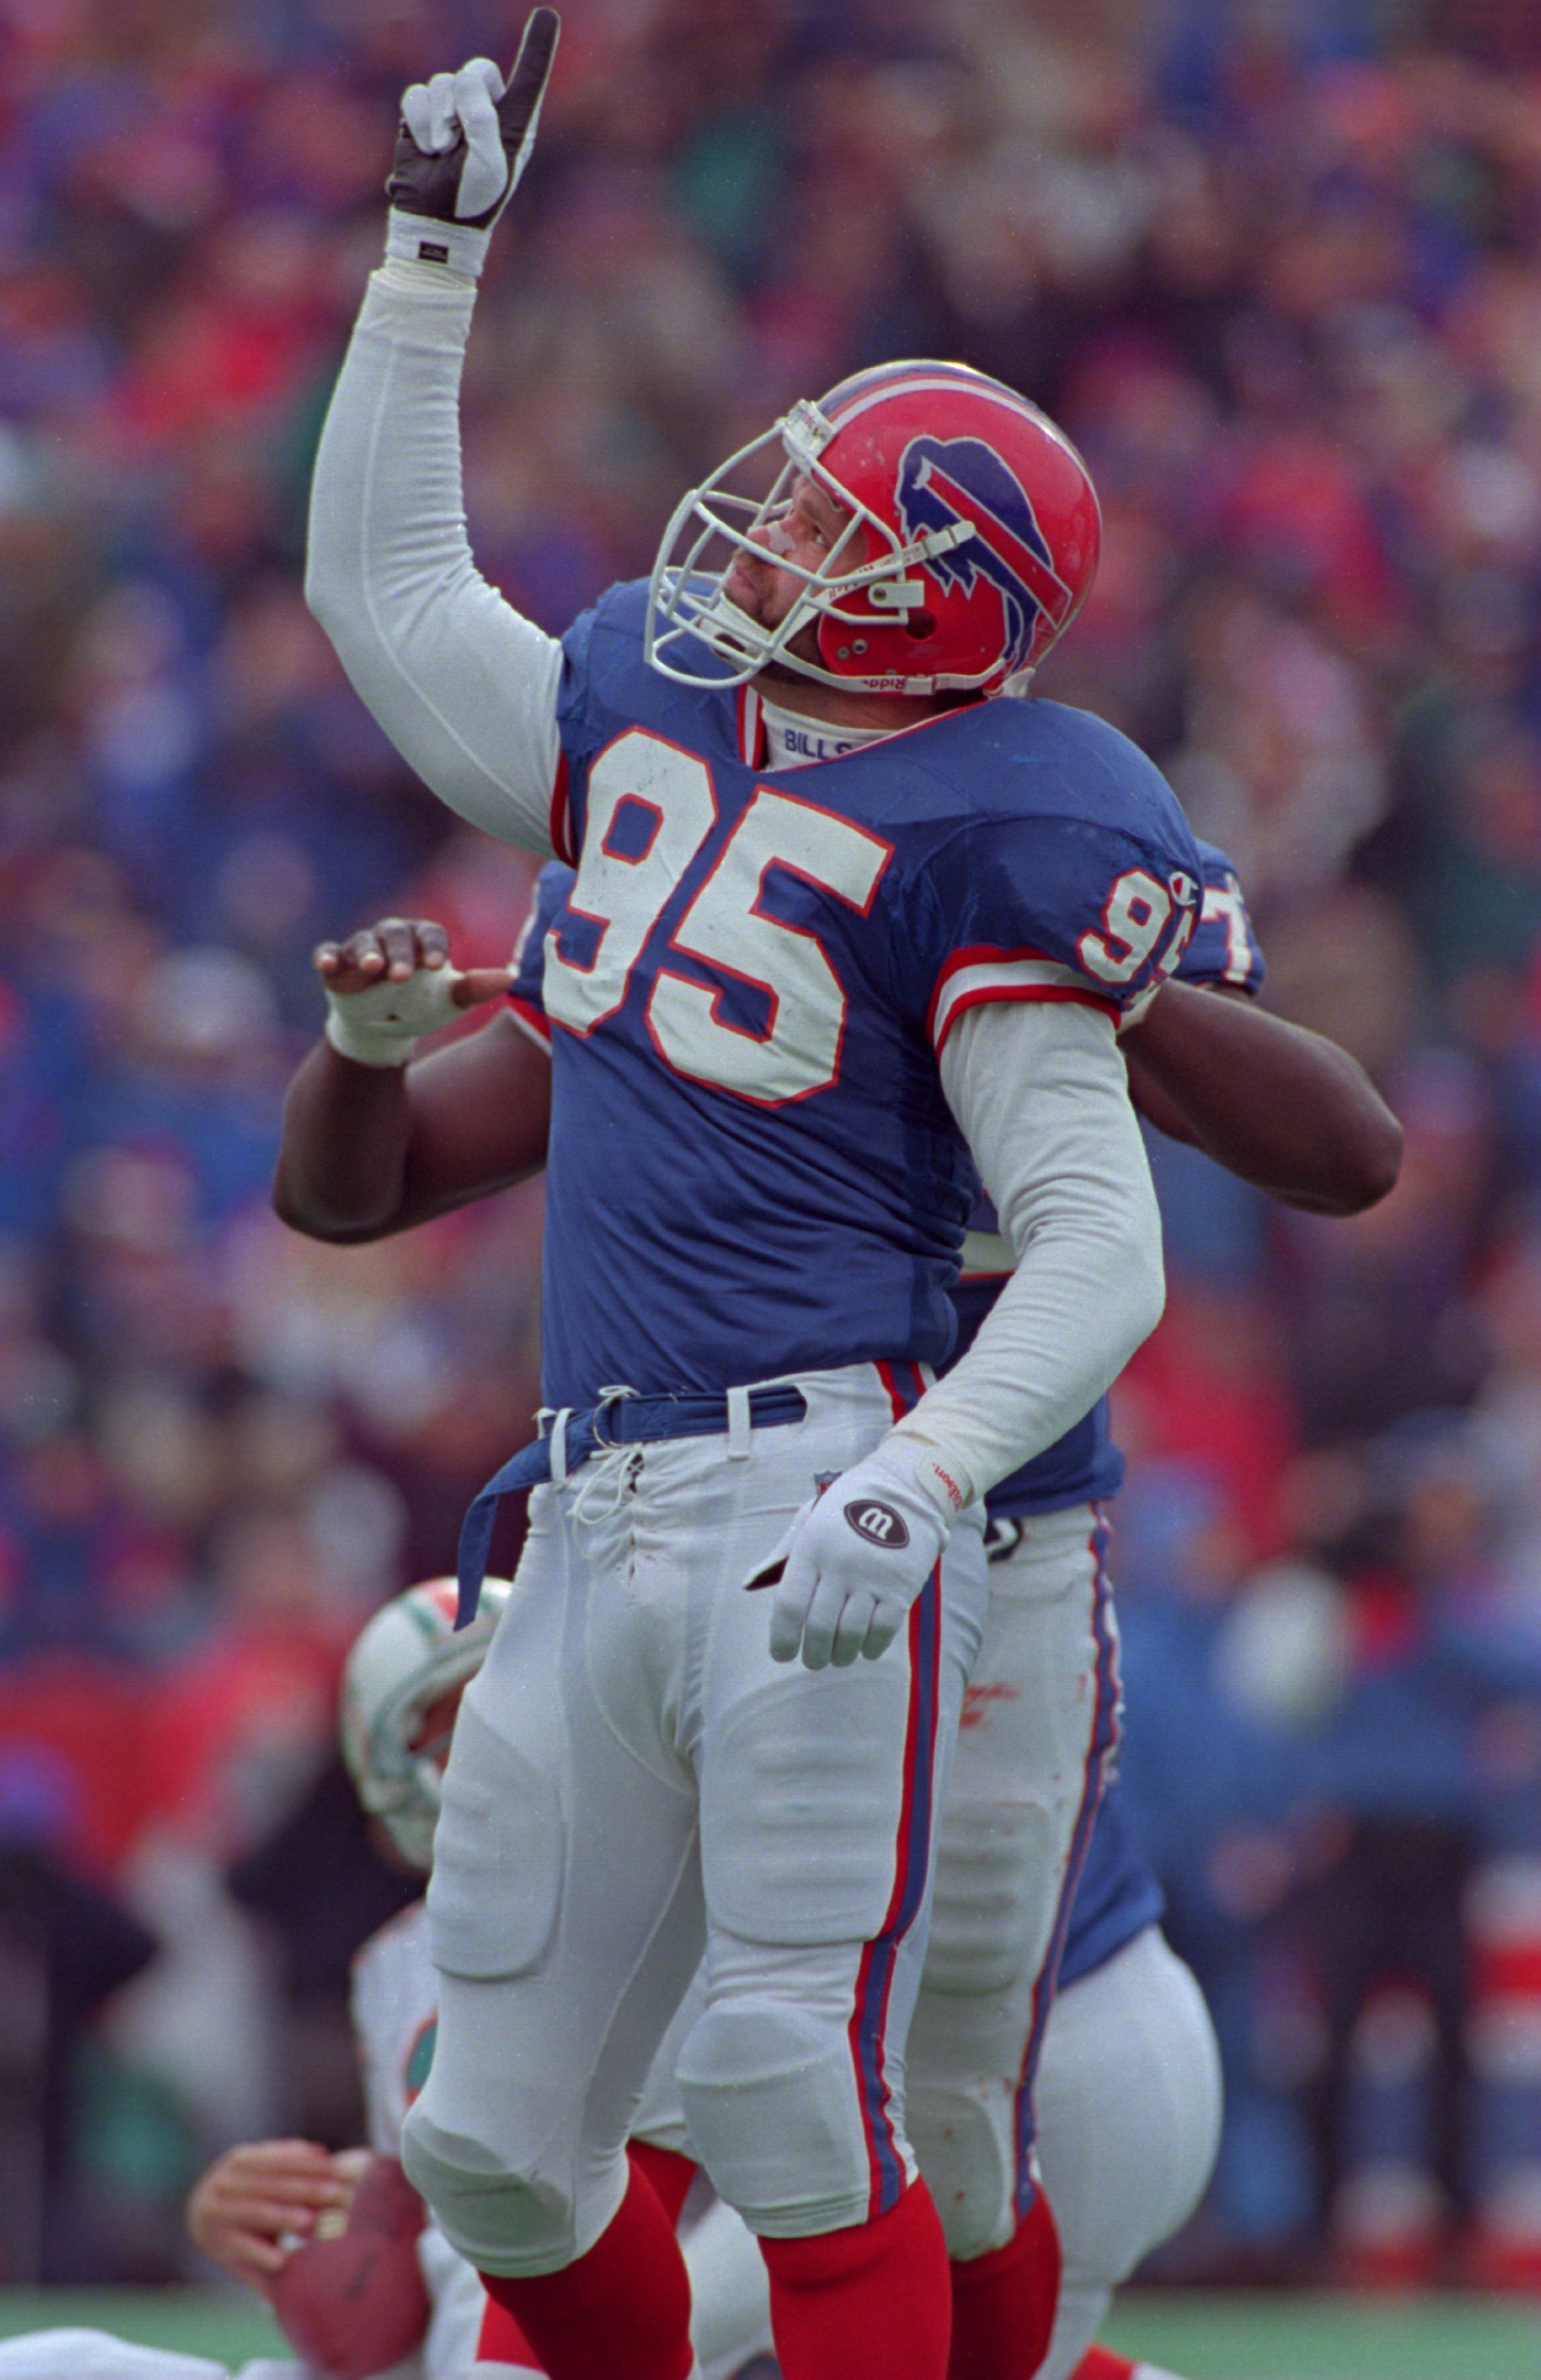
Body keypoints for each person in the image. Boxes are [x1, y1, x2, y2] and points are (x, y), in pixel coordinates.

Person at [300, 16, 1210, 2380]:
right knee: (490, 2136)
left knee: (797, 2086)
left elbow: (1104, 1235)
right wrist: (426, 262)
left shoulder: (1019, 811)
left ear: (943, 600)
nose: (769, 522)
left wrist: (919, 1485)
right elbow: (399, 612)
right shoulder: (651, 705)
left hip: (825, 1471)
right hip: (592, 1492)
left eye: (833, 519)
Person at [275, 842, 1401, 2380]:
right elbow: (355, 1188)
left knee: (812, 2105)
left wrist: (1075, 965)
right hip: (699, 1539)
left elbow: (1344, 1147)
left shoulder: (1019, 864)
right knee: (537, 2142)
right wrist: (364, 1050)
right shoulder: (678, 887)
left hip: (1032, 1927)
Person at [0, 1581, 509, 2380]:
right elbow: (445, 2242)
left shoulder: (671, 1906)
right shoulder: (403, 1971)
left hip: (622, 2347)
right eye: (443, 1730)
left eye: (504, 1707)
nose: (482, 1752)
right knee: (49, 2363)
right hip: (461, 2354)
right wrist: (302, 2215)